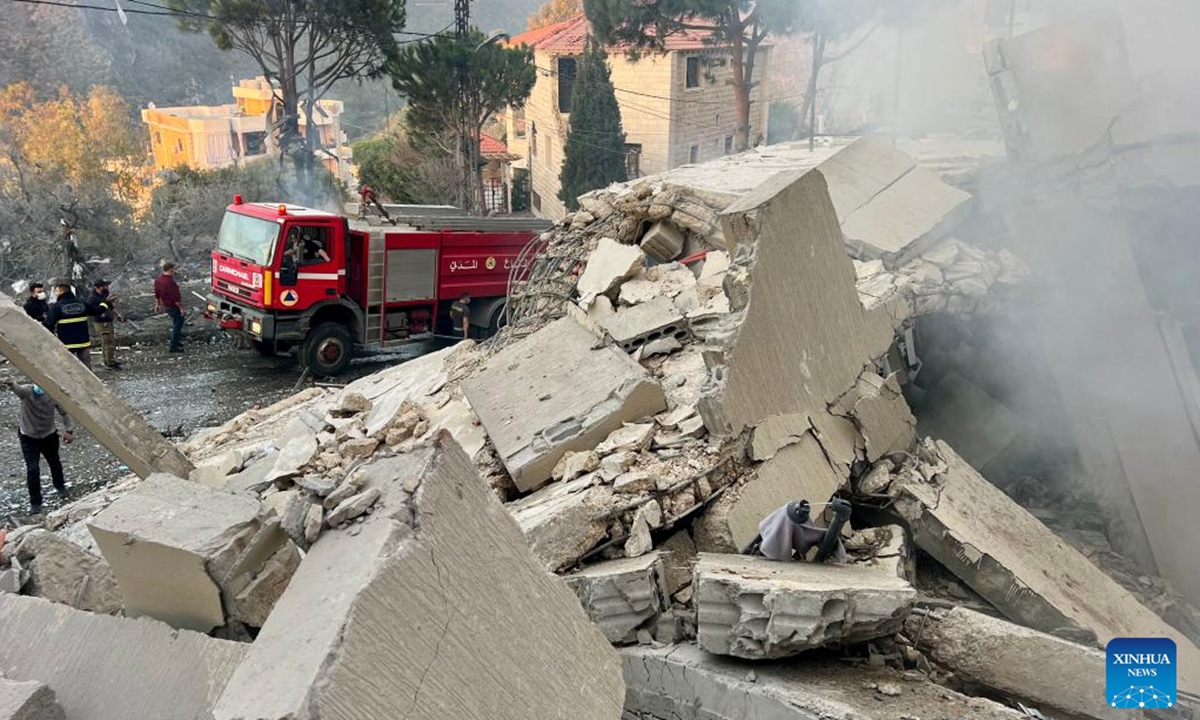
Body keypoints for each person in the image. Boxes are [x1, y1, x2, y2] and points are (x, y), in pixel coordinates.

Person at [2, 379, 73, 516]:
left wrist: (69, 430)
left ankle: (60, 487)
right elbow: (16, 387)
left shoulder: (54, 394)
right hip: (28, 436)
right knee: (33, 469)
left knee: (54, 463)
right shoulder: (27, 391)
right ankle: (35, 502)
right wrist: (9, 382)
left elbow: (65, 413)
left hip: (49, 434)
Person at [44, 279, 100, 368]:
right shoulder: (82, 303)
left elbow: (49, 324)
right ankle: (87, 382)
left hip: (67, 344)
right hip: (83, 342)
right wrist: (105, 303)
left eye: (56, 291)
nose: (55, 293)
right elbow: (97, 311)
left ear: (61, 291)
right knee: (87, 369)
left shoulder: (57, 306)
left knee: (69, 369)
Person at [88, 279, 122, 370]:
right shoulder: (93, 298)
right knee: (108, 341)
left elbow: (111, 306)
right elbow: (95, 310)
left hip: (108, 320)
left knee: (107, 342)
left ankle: (108, 360)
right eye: (103, 286)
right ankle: (109, 363)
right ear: (97, 288)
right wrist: (107, 301)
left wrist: (118, 314)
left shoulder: (105, 294)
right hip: (101, 322)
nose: (106, 287)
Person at [154, 262, 184, 353]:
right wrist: (181, 308)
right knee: (178, 324)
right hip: (173, 305)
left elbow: (157, 293)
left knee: (175, 322)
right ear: (171, 269)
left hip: (166, 305)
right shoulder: (169, 282)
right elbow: (175, 297)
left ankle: (176, 341)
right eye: (174, 269)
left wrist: (157, 304)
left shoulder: (158, 280)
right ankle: (173, 346)